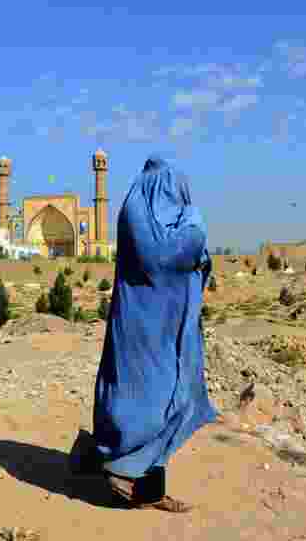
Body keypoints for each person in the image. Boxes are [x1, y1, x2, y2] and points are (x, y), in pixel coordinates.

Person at [75, 156, 217, 512]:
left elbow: (189, 256)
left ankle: (147, 489)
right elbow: (164, 256)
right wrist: (196, 229)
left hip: (170, 327)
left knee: (177, 398)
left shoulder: (160, 215)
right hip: (141, 327)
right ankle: (119, 468)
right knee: (142, 402)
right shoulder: (139, 214)